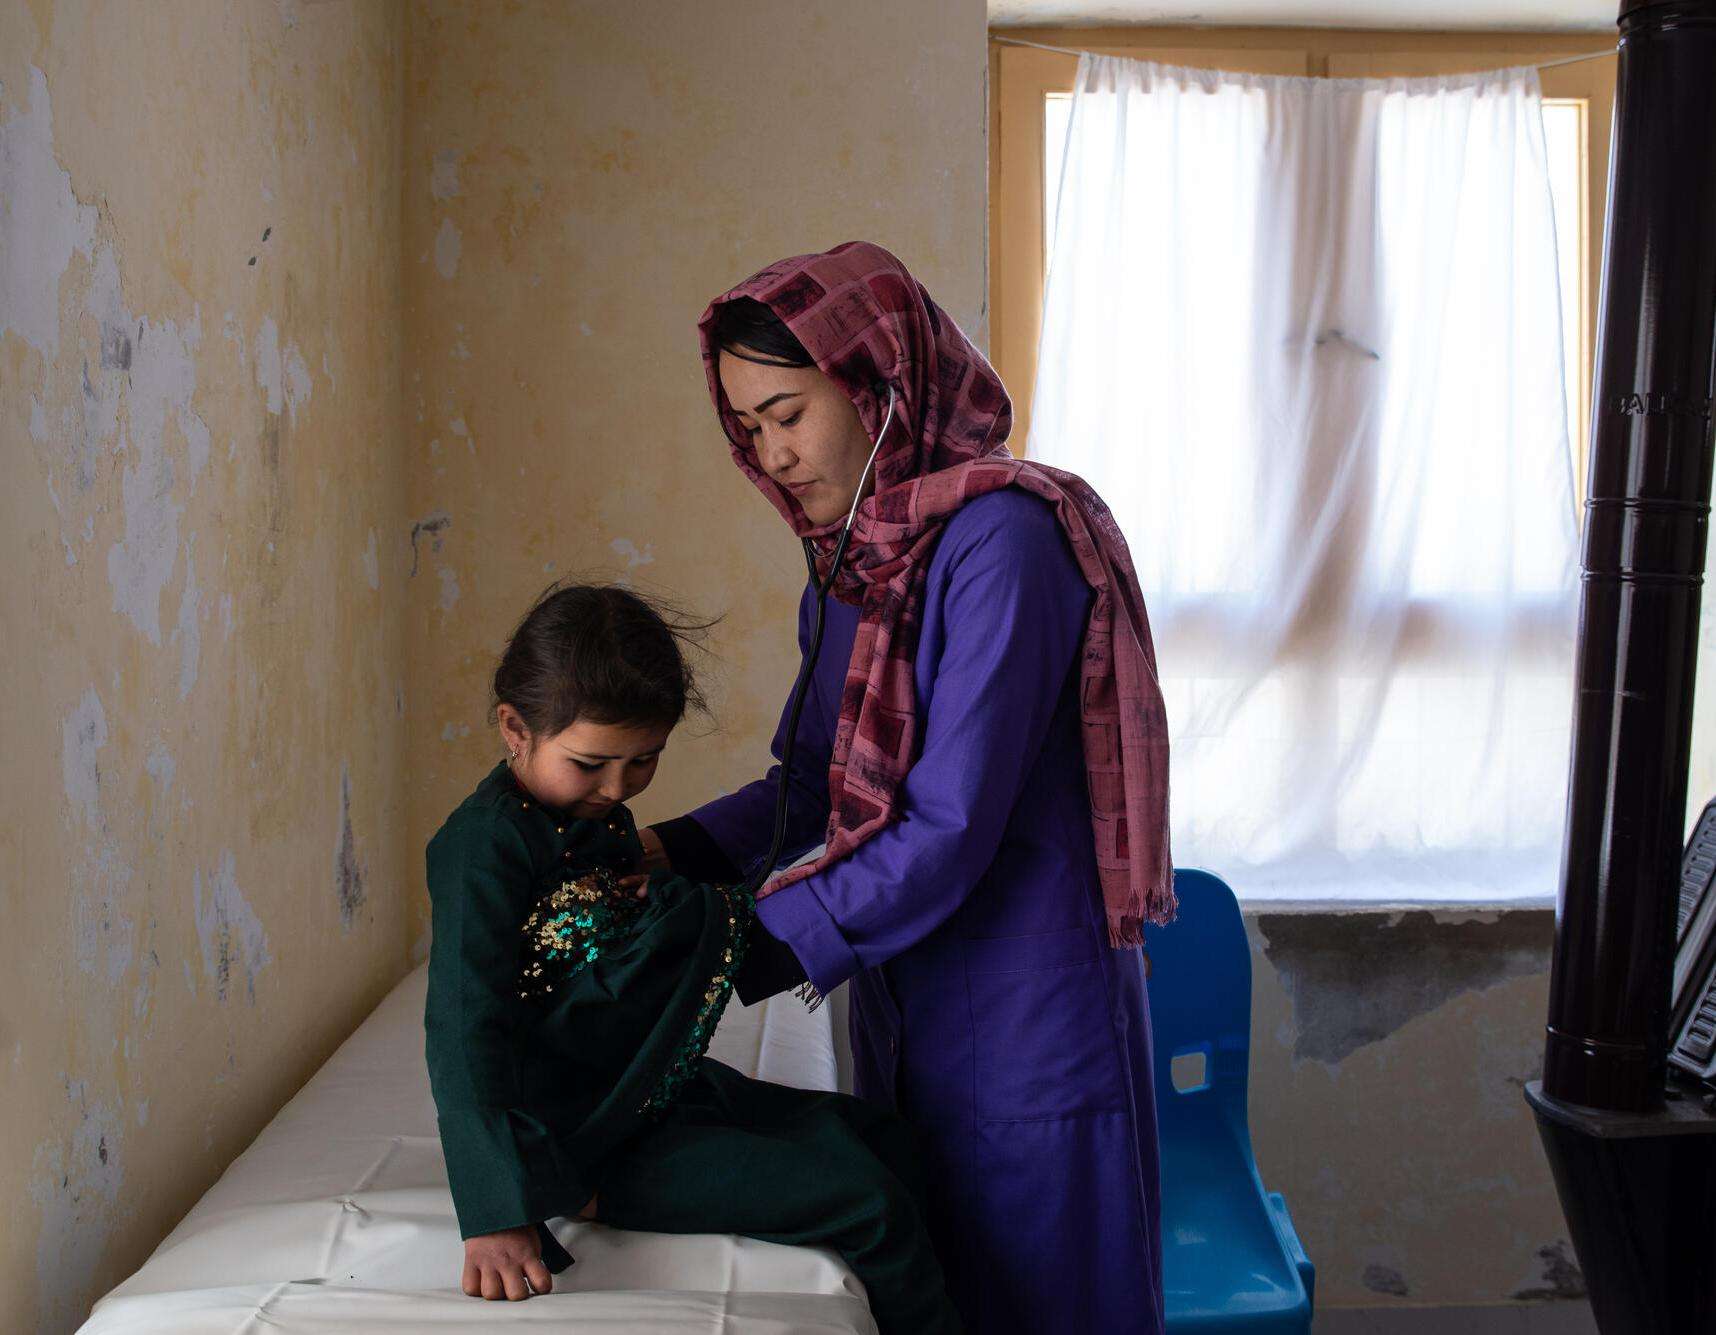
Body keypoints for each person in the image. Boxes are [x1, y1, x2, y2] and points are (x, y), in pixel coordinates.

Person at [637, 241, 1176, 1333]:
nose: (773, 455)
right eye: (749, 429)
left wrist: (725, 956)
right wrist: (660, 857)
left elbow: (946, 825)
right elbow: (813, 785)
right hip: (906, 1009)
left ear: (877, 385)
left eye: (789, 414)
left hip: (1030, 1018)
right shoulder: (856, 567)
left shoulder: (1004, 547)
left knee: (1042, 1303)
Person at [423, 582, 961, 1333]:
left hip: (645, 1089)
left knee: (886, 1138)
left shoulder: (583, 817)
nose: (616, 789)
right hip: (583, 1140)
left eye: (644, 761)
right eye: (591, 763)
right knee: (870, 1203)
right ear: (515, 728)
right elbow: (461, 1028)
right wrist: (495, 1210)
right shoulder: (480, 852)